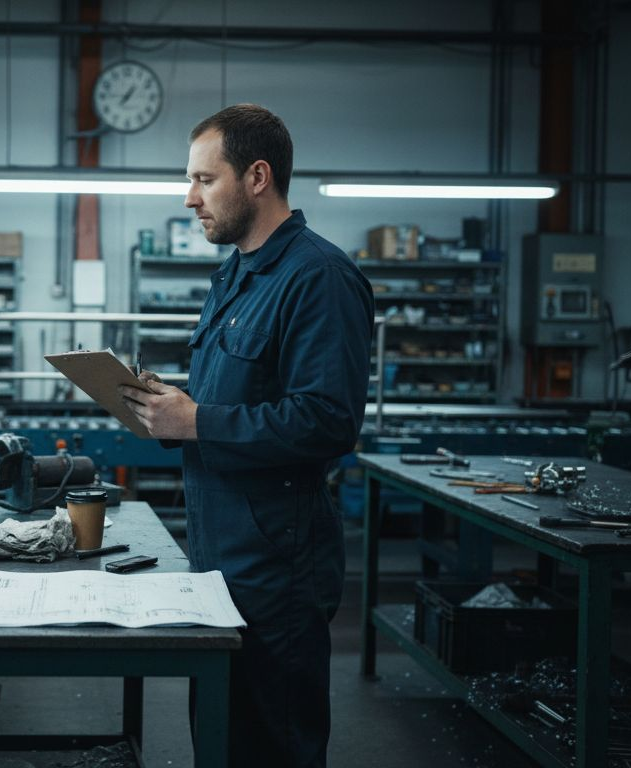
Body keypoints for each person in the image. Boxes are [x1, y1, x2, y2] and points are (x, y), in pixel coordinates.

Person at [119, 104, 374, 767]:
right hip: (217, 555)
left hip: (276, 573)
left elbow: (328, 421)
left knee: (272, 748)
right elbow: (232, 397)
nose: (189, 197)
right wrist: (164, 408)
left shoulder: (319, 277)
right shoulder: (234, 274)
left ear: (257, 176)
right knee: (223, 743)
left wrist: (197, 419)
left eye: (205, 179)